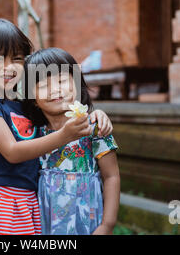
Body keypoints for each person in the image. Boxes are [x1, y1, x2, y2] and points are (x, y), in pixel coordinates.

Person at [0, 19, 113, 235]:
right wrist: (65, 135)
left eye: (16, 58)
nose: (9, 67)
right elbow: (12, 152)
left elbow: (60, 114)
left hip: (28, 202)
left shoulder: (26, 105)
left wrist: (95, 116)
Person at [23, 47, 121, 235]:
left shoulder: (94, 129)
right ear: (32, 98)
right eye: (43, 85)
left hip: (87, 221)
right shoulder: (33, 135)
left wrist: (107, 225)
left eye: (61, 81)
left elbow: (111, 176)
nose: (55, 89)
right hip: (45, 223)